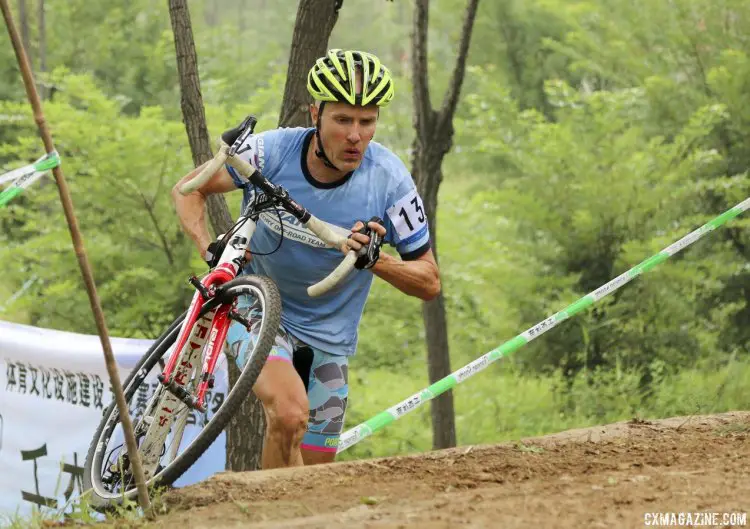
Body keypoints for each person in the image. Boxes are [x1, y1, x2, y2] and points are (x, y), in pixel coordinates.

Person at [172, 49, 440, 469]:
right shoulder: (272, 151)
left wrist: (376, 260)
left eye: (366, 121)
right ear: (316, 113)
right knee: (290, 413)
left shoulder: (389, 179)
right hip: (257, 311)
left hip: (329, 339)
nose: (355, 135)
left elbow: (429, 282)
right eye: (342, 120)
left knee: (315, 477)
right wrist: (210, 250)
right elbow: (188, 190)